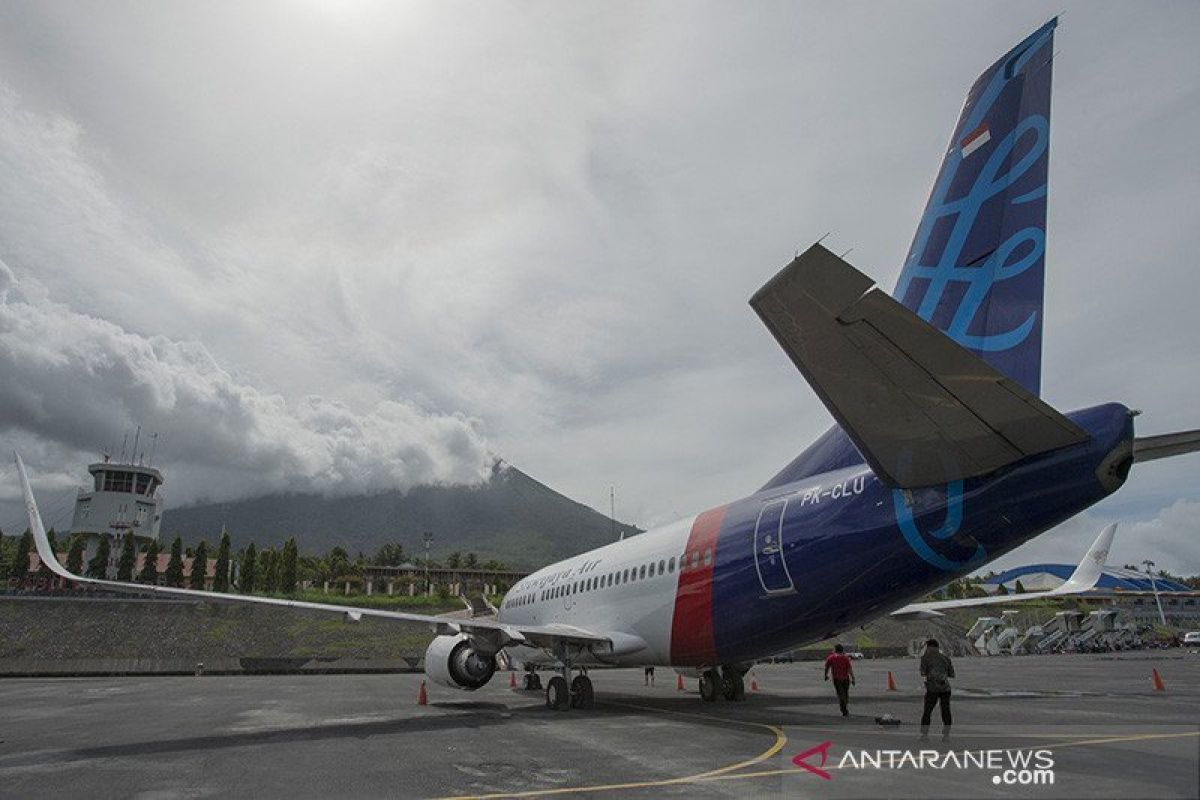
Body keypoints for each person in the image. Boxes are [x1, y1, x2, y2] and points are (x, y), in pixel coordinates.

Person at [919, 639, 955, 741]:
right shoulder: (945, 658)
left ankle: (924, 735)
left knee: (927, 711)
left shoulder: (925, 658)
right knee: (946, 711)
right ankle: (946, 735)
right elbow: (951, 674)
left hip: (932, 688)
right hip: (945, 688)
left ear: (929, 647)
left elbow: (923, 673)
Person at [823, 643, 855, 716]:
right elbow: (850, 669)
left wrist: (825, 676)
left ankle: (844, 709)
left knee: (841, 694)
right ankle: (844, 707)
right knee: (845, 693)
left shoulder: (831, 658)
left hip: (837, 679)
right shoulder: (846, 658)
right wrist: (853, 678)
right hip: (846, 679)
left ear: (835, 650)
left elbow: (827, 667)